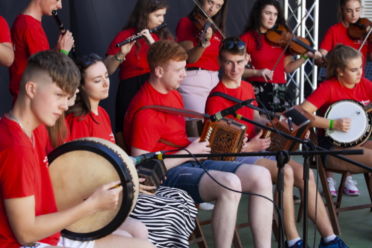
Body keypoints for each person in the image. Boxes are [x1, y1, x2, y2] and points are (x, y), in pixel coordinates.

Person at [123, 39, 273, 248]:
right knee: (229, 184)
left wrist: (199, 143)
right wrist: (189, 150)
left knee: (261, 176)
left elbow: (175, 139)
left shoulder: (173, 92)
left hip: (189, 158)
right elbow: (143, 169)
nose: (185, 75)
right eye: (179, 70)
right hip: (169, 173)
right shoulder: (145, 111)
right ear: (158, 71)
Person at [205, 37, 350, 248]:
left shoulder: (246, 87)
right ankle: (293, 240)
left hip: (257, 149)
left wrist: (284, 126)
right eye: (228, 62)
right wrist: (250, 147)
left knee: (306, 174)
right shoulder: (216, 98)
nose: (235, 68)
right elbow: (217, 148)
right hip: (236, 157)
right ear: (220, 62)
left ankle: (330, 239)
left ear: (247, 59)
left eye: (239, 61)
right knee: (286, 172)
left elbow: (255, 117)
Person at [0, 50, 154, 248]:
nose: (65, 106)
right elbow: (26, 233)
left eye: (68, 97)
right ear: (31, 89)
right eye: (59, 96)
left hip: (48, 231)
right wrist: (91, 205)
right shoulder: (16, 148)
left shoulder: (33, 128)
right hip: (29, 242)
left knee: (140, 236)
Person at [66, 53, 198, 248]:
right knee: (170, 212)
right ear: (81, 86)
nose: (105, 83)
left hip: (124, 185)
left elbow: (114, 158)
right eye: (97, 80)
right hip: (107, 196)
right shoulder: (77, 122)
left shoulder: (102, 113)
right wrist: (130, 183)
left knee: (182, 199)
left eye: (105, 76)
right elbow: (83, 176)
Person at [301, 45, 372, 197]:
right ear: (339, 71)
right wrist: (333, 124)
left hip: (360, 142)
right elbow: (300, 113)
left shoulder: (364, 84)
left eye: (360, 67)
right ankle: (329, 180)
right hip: (332, 149)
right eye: (354, 70)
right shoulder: (328, 88)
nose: (360, 73)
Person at [317, 0, 370, 196]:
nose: (354, 14)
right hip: (333, 143)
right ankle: (331, 177)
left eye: (357, 10)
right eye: (349, 10)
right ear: (342, 11)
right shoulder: (335, 30)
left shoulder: (366, 31)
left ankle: (347, 177)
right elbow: (323, 51)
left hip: (356, 83)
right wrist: (331, 124)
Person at [105, 0, 172, 134]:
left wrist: (152, 43)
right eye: (157, 15)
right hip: (130, 90)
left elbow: (170, 66)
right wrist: (121, 54)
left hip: (155, 89)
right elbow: (107, 69)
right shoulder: (125, 35)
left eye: (163, 15)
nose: (162, 20)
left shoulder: (164, 37)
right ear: (145, 14)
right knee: (129, 131)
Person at [240, 0, 318, 113]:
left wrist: (305, 56)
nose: (272, 18)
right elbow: (238, 70)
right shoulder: (247, 38)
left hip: (280, 90)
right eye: (268, 13)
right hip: (256, 90)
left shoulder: (281, 38)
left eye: (275, 14)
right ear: (258, 14)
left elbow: (287, 68)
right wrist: (258, 72)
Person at [9, 0, 74, 100]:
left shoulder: (26, 22)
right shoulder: (30, 26)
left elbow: (39, 61)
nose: (60, 6)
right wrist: (63, 53)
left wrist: (57, 50)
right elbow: (46, 74)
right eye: (57, 0)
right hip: (31, 101)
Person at [176, 0, 227, 113]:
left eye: (218, 6)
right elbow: (189, 59)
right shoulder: (186, 23)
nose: (212, 8)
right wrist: (203, 43)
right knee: (195, 122)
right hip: (193, 81)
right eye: (210, 2)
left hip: (215, 81)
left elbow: (218, 61)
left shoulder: (216, 29)